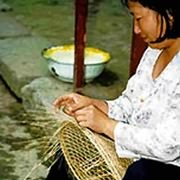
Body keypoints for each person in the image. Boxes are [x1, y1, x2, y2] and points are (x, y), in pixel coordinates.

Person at [46, 0, 180, 179]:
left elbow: (167, 146)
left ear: (170, 15)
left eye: (139, 18)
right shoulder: (154, 51)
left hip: (169, 165)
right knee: (73, 147)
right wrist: (95, 106)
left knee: (141, 174)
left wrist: (106, 125)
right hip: (138, 151)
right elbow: (130, 105)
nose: (136, 30)